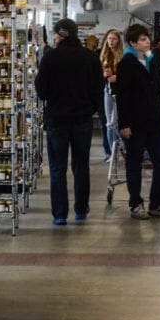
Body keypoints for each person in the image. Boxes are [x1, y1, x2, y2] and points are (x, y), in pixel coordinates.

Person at [35, 18, 103, 225]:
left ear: (61, 34)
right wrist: (89, 109)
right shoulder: (90, 57)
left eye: (55, 33)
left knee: (57, 168)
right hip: (82, 119)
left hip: (57, 119)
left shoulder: (51, 57)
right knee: (81, 166)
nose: (54, 37)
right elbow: (98, 89)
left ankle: (60, 214)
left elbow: (41, 90)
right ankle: (81, 210)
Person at [114, 23, 160, 220]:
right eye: (142, 39)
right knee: (134, 164)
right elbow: (122, 96)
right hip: (135, 124)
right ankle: (135, 204)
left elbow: (156, 90)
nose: (147, 41)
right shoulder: (127, 63)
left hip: (155, 122)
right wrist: (124, 124)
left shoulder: (150, 60)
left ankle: (156, 204)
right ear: (133, 42)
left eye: (147, 38)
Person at [99, 29, 123, 160]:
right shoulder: (104, 56)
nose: (111, 42)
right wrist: (104, 75)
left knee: (117, 123)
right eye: (109, 39)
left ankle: (123, 150)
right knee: (109, 124)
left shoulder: (123, 56)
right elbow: (99, 75)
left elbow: (127, 75)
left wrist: (117, 77)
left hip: (119, 93)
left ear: (118, 40)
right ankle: (112, 154)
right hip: (107, 91)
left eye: (113, 39)